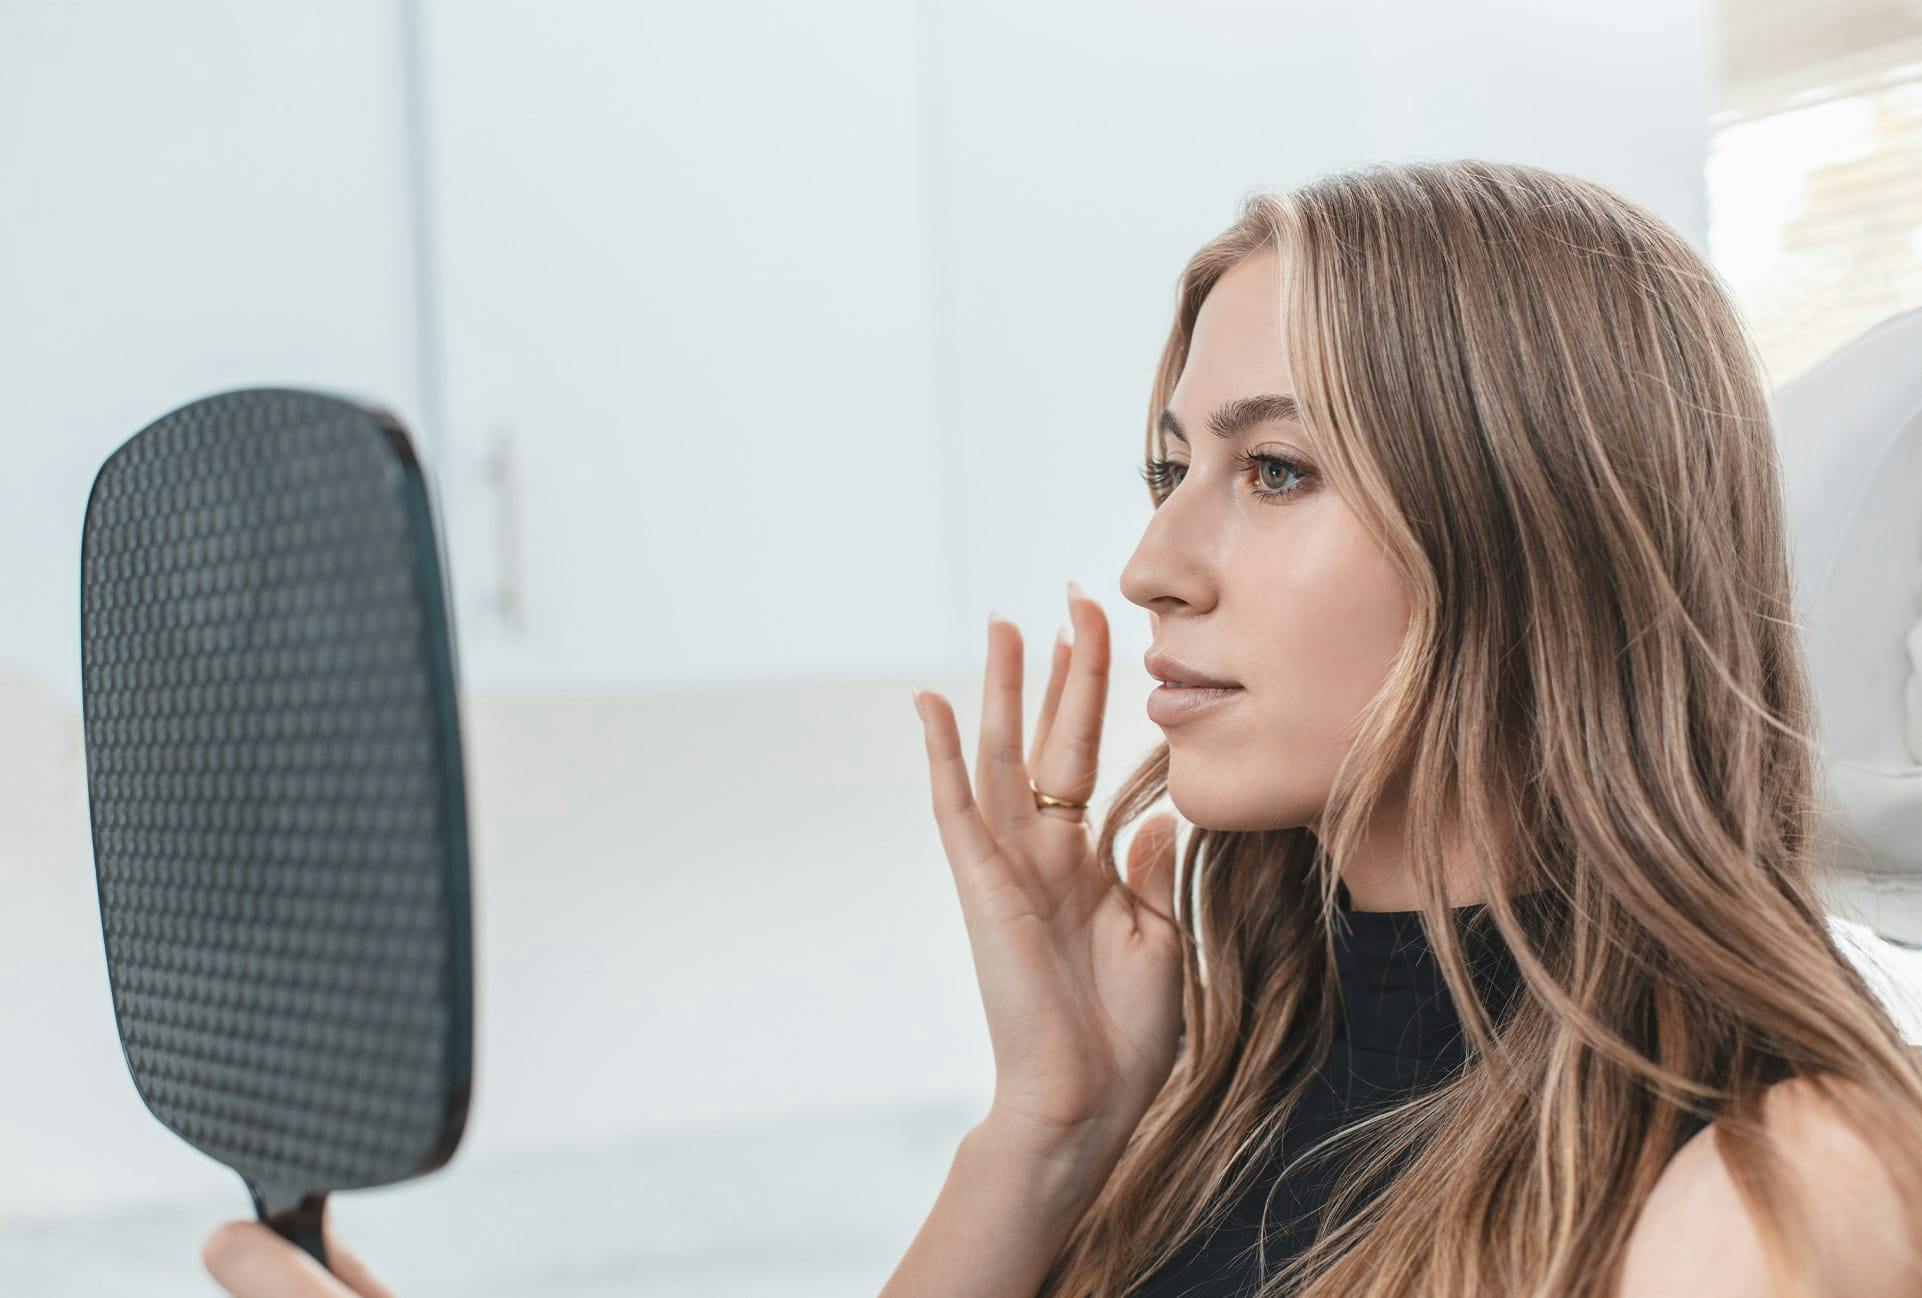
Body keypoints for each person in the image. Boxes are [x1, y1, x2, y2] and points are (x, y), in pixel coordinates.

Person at [200, 159, 1922, 1297]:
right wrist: (1045, 1118)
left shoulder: (1774, 1187)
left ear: (1537, 526)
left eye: (1273, 469)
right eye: (1171, 469)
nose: (1155, 562)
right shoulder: (1216, 1075)